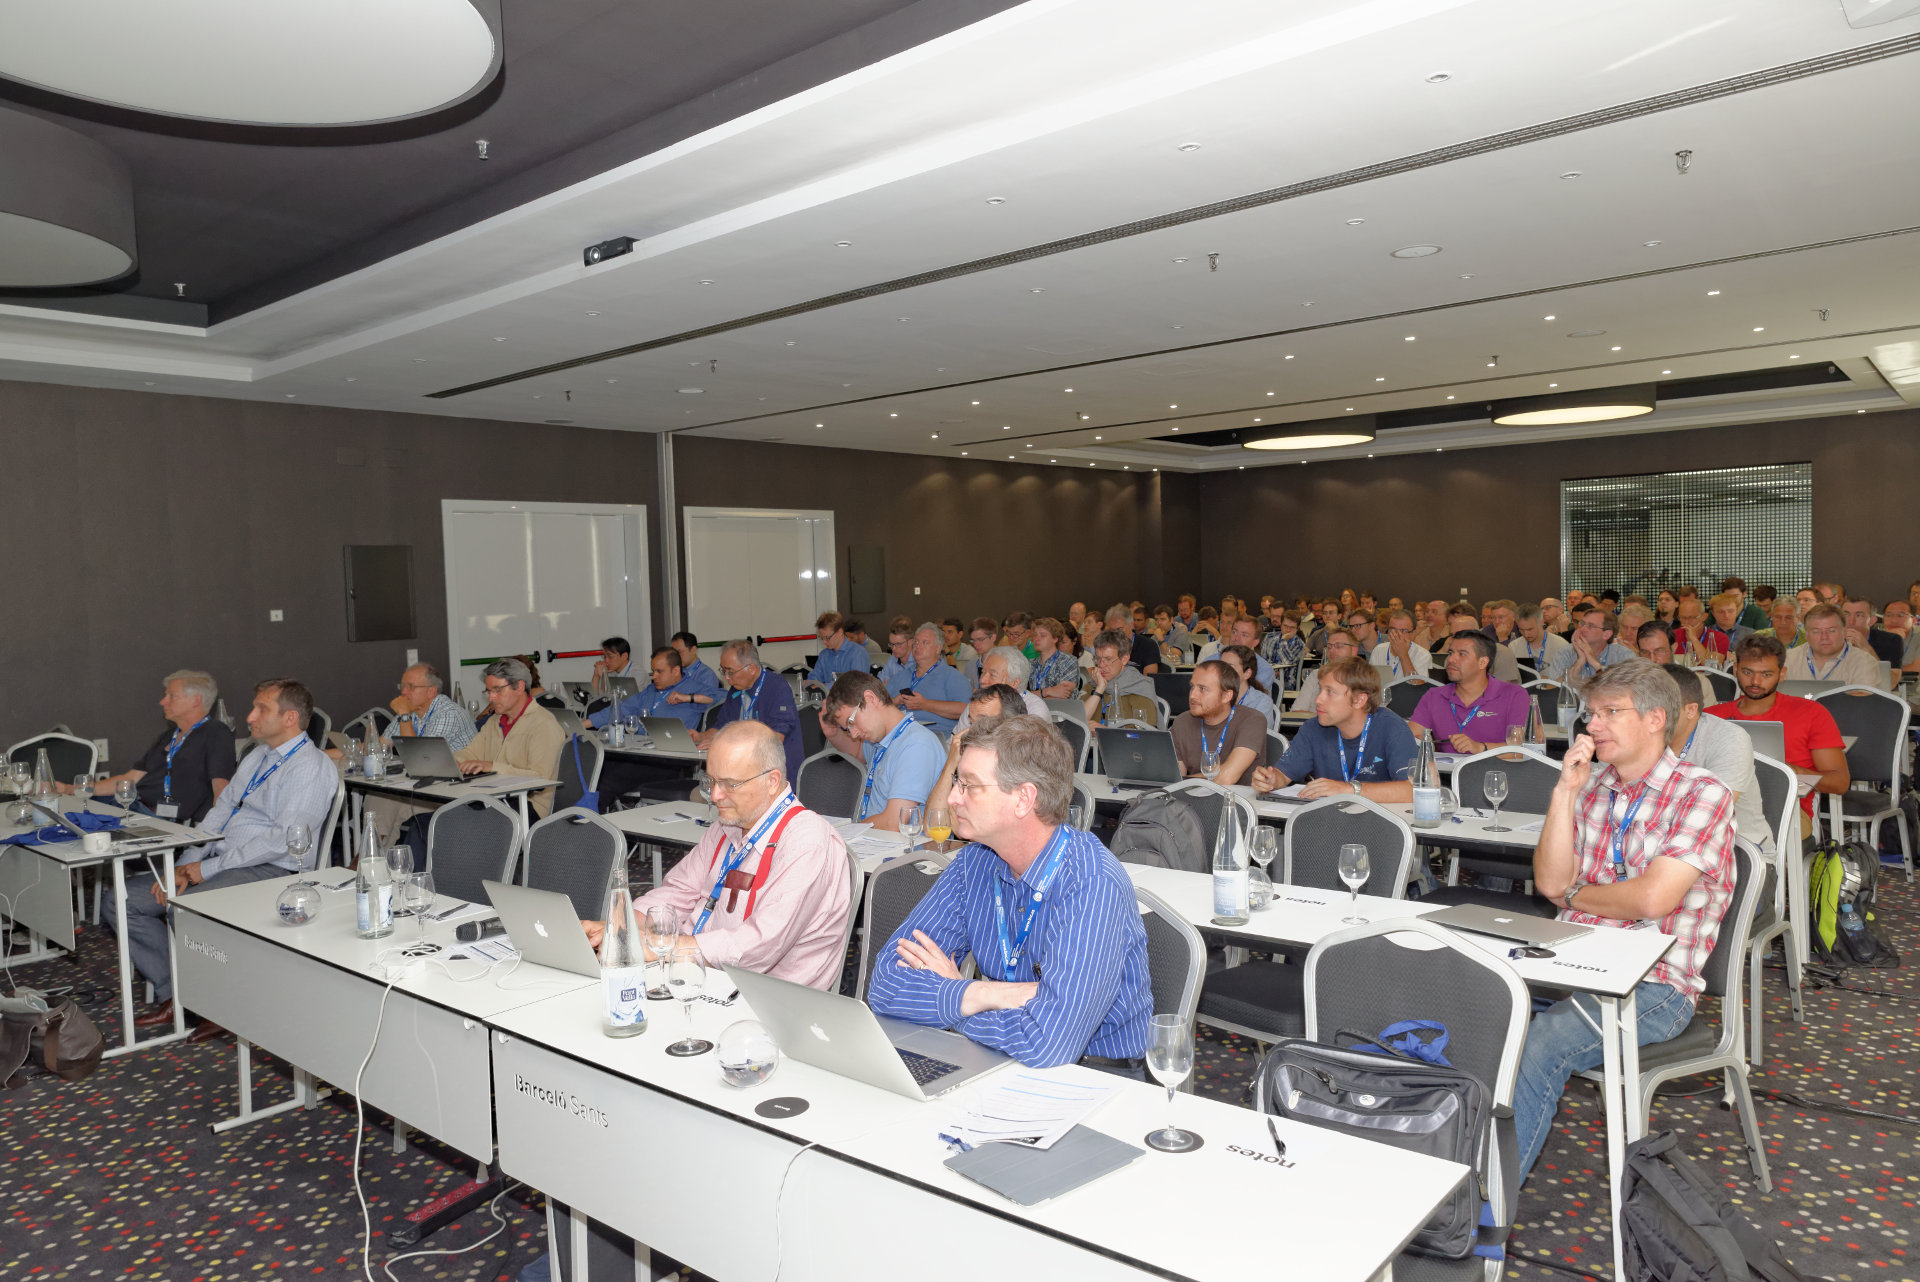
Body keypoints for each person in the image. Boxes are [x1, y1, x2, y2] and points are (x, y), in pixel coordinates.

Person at [1515, 659, 1737, 1182]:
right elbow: (1550, 884)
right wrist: (1564, 792)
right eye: (1591, 714)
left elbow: (1653, 900)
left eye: (1610, 713)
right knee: (1468, 1000)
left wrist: (1577, 892)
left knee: (1543, 1040)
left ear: (1656, 719)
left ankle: (1484, 1215)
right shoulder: (1592, 788)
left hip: (1652, 984)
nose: (1592, 726)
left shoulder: (1702, 793)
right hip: (1570, 957)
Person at [868, 717, 1151, 1073]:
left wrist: (956, 1006)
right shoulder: (973, 864)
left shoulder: (1091, 883)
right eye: (957, 781)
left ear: (1023, 799)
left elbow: (1048, 1044)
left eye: (969, 786)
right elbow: (884, 985)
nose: (952, 798)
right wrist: (982, 994)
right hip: (991, 1054)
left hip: (1093, 1075)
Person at [112, 678, 336, 1038]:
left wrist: (206, 868)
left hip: (272, 869)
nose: (250, 716)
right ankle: (182, 993)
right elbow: (222, 808)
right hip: (225, 857)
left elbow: (281, 842)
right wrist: (187, 862)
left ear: (291, 717)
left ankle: (222, 1003)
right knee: (121, 900)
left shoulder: (309, 766)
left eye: (262, 709)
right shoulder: (259, 755)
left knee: (187, 909)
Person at [581, 721, 853, 986]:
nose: (715, 795)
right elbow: (677, 893)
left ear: (772, 781)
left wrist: (668, 947)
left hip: (766, 1000)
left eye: (730, 784)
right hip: (702, 976)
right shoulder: (728, 824)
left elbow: (762, 944)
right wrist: (620, 929)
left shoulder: (807, 840)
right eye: (710, 780)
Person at [1707, 635, 1849, 827]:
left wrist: (1794, 772)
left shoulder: (1810, 713)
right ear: (1735, 670)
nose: (1755, 681)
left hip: (1788, 812)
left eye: (1766, 674)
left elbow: (1839, 782)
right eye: (1747, 672)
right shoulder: (1711, 717)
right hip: (1722, 807)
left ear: (1782, 674)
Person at [60, 670, 236, 822]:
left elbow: (221, 787)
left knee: (76, 816)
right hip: (134, 806)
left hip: (161, 818)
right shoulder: (169, 735)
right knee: (69, 808)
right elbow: (130, 779)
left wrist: (213, 835)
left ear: (195, 700)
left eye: (171, 696)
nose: (163, 702)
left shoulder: (216, 732)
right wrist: (71, 790)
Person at [1251, 658, 1415, 803]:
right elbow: (1283, 774)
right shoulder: (1313, 728)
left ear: (1359, 700)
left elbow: (1413, 790)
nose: (1318, 699)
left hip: (1381, 825)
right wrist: (1270, 780)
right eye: (1320, 690)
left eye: (1330, 692)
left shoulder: (1393, 728)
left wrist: (1349, 790)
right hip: (1330, 822)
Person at [1657, 663, 1770, 854]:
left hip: (1735, 852)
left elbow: (1709, 815)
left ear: (1691, 710)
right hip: (1656, 844)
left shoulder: (1729, 738)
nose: (1647, 716)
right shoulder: (1637, 735)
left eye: (1659, 708)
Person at [819, 672, 945, 830]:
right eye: (847, 727)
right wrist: (834, 734)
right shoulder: (884, 738)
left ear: (870, 699)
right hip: (879, 841)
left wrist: (844, 833)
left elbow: (895, 822)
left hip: (904, 850)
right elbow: (858, 752)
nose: (853, 733)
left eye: (851, 722)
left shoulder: (917, 745)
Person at [457, 658, 566, 817]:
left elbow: (540, 778)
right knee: (425, 823)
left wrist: (492, 767)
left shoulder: (544, 724)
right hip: (494, 801)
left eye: (497, 690)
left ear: (520, 687)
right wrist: (456, 762)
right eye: (488, 691)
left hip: (528, 809)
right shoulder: (494, 722)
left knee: (445, 826)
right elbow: (470, 752)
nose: (491, 698)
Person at [693, 640, 803, 784]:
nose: (726, 677)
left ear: (751, 669)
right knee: (700, 793)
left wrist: (731, 745)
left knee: (707, 795)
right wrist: (701, 737)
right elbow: (721, 727)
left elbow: (774, 739)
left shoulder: (777, 687)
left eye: (730, 672)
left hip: (772, 773)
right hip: (739, 770)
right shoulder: (736, 689)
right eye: (723, 671)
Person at [1409, 631, 1533, 753]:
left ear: (1482, 662)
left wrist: (1480, 748)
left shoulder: (1514, 695)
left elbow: (1521, 750)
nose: (1451, 659)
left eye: (1462, 654)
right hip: (1445, 772)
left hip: (1496, 772)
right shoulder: (1434, 695)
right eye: (1451, 653)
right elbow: (1412, 737)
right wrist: (1419, 742)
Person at [1170, 660, 1264, 785]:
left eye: (1203, 689)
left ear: (1226, 696)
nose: (1193, 695)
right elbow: (1173, 779)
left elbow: (1226, 778)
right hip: (1193, 798)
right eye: (1192, 686)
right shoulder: (1182, 721)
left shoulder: (1252, 720)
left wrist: (1185, 781)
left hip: (1237, 801)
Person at [590, 646, 706, 731]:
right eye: (653, 671)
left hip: (671, 753)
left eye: (659, 671)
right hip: (642, 748)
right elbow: (622, 708)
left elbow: (722, 697)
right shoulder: (650, 690)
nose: (654, 676)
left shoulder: (694, 687)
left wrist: (690, 697)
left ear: (675, 671)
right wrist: (582, 725)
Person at [888, 622, 973, 735]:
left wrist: (925, 704)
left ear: (938, 649)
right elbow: (880, 705)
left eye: (925, 642)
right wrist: (895, 702)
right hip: (899, 733)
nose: (918, 646)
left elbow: (965, 710)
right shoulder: (900, 676)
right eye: (916, 642)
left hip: (934, 736)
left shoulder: (952, 677)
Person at [1786, 603, 1881, 687]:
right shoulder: (1788, 659)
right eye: (1816, 631)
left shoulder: (1864, 662)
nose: (1824, 637)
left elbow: (1864, 702)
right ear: (1806, 635)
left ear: (1844, 632)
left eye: (1831, 630)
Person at [956, 647, 1049, 729]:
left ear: (1014, 682)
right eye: (983, 672)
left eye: (992, 675)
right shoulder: (978, 704)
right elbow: (954, 741)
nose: (982, 680)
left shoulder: (1034, 711)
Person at [1081, 630, 1156, 726]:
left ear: (1124, 659)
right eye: (1098, 659)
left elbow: (1144, 734)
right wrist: (1099, 690)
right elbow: (1078, 723)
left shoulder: (1140, 687)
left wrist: (1105, 732)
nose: (1101, 665)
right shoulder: (1093, 684)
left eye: (1108, 659)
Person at [1545, 607, 1635, 685]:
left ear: (1606, 634)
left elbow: (1624, 690)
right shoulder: (1565, 652)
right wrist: (1579, 663)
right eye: (1582, 624)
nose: (1582, 629)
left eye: (1590, 626)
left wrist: (1595, 663)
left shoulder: (1624, 655)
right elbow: (1552, 689)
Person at [1289, 628, 1362, 712]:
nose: (1332, 651)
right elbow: (1297, 711)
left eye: (1339, 646)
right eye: (1329, 647)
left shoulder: (1362, 678)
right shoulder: (1316, 675)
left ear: (1354, 650)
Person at [1448, 603, 1524, 683]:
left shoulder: (1502, 653)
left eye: (1459, 635)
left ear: (1475, 634)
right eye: (1452, 635)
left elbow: (1501, 690)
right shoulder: (1452, 656)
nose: (1454, 640)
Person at [1198, 616, 1276, 690]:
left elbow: (1253, 701)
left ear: (1255, 642)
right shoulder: (1210, 662)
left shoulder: (1263, 669)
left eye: (1244, 635)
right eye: (1234, 632)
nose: (1236, 638)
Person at [805, 611, 870, 691]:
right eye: (821, 638)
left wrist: (825, 686)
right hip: (827, 700)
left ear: (840, 632)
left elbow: (857, 685)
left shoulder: (858, 653)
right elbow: (814, 678)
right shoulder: (824, 655)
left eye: (827, 638)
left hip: (851, 701)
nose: (824, 642)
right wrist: (810, 683)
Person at [1220, 644, 1277, 731]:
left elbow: (1255, 737)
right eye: (1221, 666)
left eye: (1230, 667)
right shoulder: (1214, 697)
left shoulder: (1262, 703)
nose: (1222, 672)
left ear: (1247, 673)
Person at [1843, 596, 1904, 669]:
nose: (1851, 622)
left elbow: (1892, 679)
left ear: (1872, 621)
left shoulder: (1891, 641)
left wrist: (1866, 648)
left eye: (1859, 615)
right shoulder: (1829, 638)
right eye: (1846, 615)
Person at [1373, 607, 1433, 682]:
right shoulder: (1378, 650)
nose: (1397, 635)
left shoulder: (1423, 655)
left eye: (1403, 630)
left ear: (1413, 633)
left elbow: (1417, 688)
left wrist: (1403, 655)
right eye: (1393, 629)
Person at [1509, 603, 1569, 674]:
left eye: (1530, 629)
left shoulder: (1561, 645)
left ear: (1541, 622)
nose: (1526, 634)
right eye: (1521, 629)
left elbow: (1567, 678)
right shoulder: (1513, 647)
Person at [1029, 617, 1080, 699]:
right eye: (1035, 634)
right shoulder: (1030, 663)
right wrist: (1047, 692)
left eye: (1042, 635)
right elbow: (1019, 696)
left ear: (1055, 638)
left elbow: (1062, 697)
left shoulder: (1068, 661)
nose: (1036, 638)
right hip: (1033, 711)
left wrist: (1032, 696)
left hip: (1060, 711)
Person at [1103, 602, 1161, 675]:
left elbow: (1149, 680)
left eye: (1120, 629)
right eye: (1112, 630)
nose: (1116, 634)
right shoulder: (1107, 645)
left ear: (1130, 625)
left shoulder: (1148, 646)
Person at [1264, 608, 1308, 692]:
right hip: (1267, 679)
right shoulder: (1269, 637)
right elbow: (1263, 660)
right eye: (1285, 626)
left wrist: (1283, 641)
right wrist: (1271, 672)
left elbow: (1287, 662)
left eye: (1292, 627)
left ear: (1297, 628)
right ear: (1281, 624)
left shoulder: (1299, 644)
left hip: (1286, 683)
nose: (1288, 630)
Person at [1880, 599, 1920, 672]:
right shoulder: (1876, 637)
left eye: (1901, 615)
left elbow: (1917, 669)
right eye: (1889, 615)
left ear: (1914, 620)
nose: (1894, 620)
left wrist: (1883, 672)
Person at [962, 616, 1000, 687]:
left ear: (993, 637)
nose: (975, 644)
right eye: (973, 640)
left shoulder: (1004, 663)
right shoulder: (971, 666)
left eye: (980, 639)